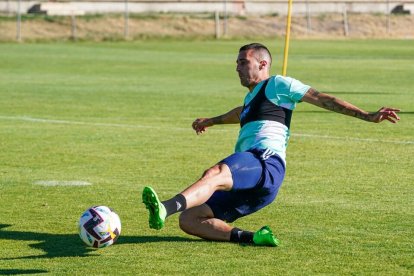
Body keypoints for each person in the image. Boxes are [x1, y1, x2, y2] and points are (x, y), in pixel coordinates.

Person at [142, 43, 400, 247]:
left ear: (262, 63)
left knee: (215, 174)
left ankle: (166, 208)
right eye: (236, 63)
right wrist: (210, 120)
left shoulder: (277, 84)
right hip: (261, 187)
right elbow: (239, 113)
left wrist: (368, 115)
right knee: (190, 219)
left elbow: (322, 98)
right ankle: (253, 238)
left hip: (264, 161)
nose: (237, 68)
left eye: (243, 62)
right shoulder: (252, 98)